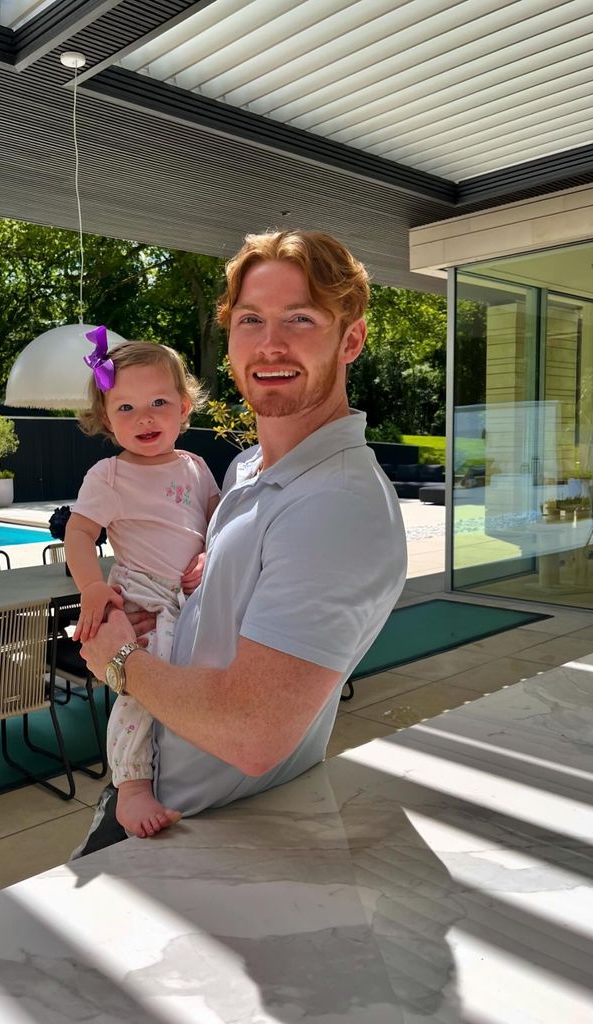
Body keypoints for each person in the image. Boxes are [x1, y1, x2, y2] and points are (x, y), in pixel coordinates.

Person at [74, 228, 408, 857]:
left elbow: (253, 730)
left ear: (351, 339)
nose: (270, 343)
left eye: (300, 319)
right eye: (250, 319)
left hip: (204, 827)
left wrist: (121, 663)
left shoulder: (334, 505)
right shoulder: (249, 469)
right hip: (167, 784)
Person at [64, 335, 220, 838]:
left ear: (184, 407)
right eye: (126, 407)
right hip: (144, 594)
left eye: (158, 403)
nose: (144, 418)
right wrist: (90, 585)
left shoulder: (195, 467)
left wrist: (207, 552)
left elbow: (217, 521)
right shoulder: (109, 475)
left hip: (191, 595)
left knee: (194, 678)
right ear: (108, 419)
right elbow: (80, 533)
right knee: (141, 683)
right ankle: (130, 783)